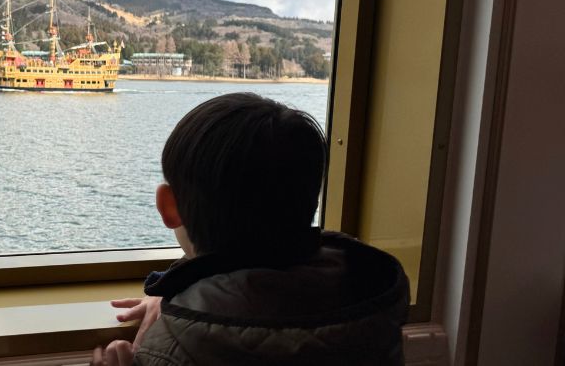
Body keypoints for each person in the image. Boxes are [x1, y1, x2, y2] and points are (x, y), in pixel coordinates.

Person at [92, 93, 409, 366]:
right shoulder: (372, 298)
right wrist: (181, 296)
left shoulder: (171, 349)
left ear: (169, 207)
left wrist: (185, 306)